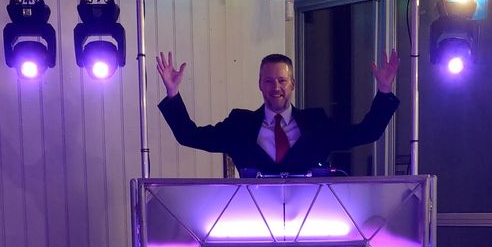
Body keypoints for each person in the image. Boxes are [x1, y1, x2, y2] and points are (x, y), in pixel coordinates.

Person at [155, 50, 399, 175]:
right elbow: (189, 135)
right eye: (269, 81)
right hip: (254, 227)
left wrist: (385, 90)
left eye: (282, 81)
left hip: (308, 226)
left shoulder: (317, 123)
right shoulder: (239, 124)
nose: (276, 88)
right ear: (260, 84)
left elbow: (367, 132)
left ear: (292, 84)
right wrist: (173, 93)